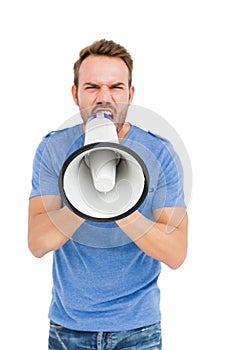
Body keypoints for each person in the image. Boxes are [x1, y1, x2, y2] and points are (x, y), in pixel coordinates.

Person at [28, 39, 188, 350]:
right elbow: (37, 241)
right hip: (69, 329)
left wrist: (121, 205)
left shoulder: (159, 152)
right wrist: (85, 197)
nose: (104, 98)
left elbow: (176, 252)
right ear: (75, 94)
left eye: (116, 87)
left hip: (138, 330)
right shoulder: (53, 148)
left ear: (131, 93)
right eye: (92, 87)